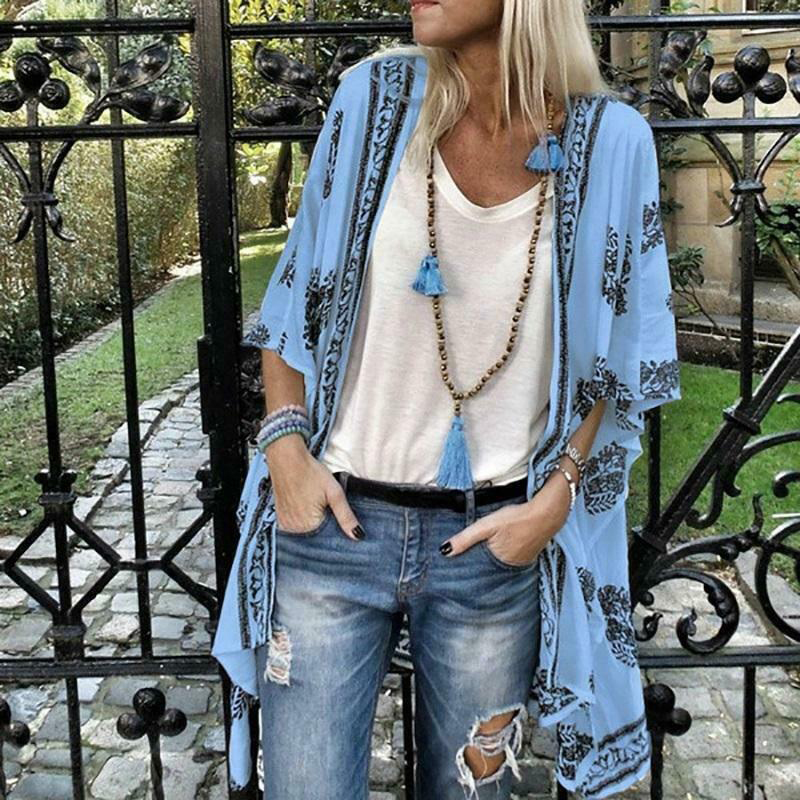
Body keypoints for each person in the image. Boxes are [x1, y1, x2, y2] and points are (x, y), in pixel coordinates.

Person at [211, 1, 682, 798]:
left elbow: (619, 351)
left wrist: (555, 500)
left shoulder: (612, 143)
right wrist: (285, 447)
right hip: (332, 534)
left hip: (491, 550)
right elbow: (295, 292)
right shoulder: (373, 101)